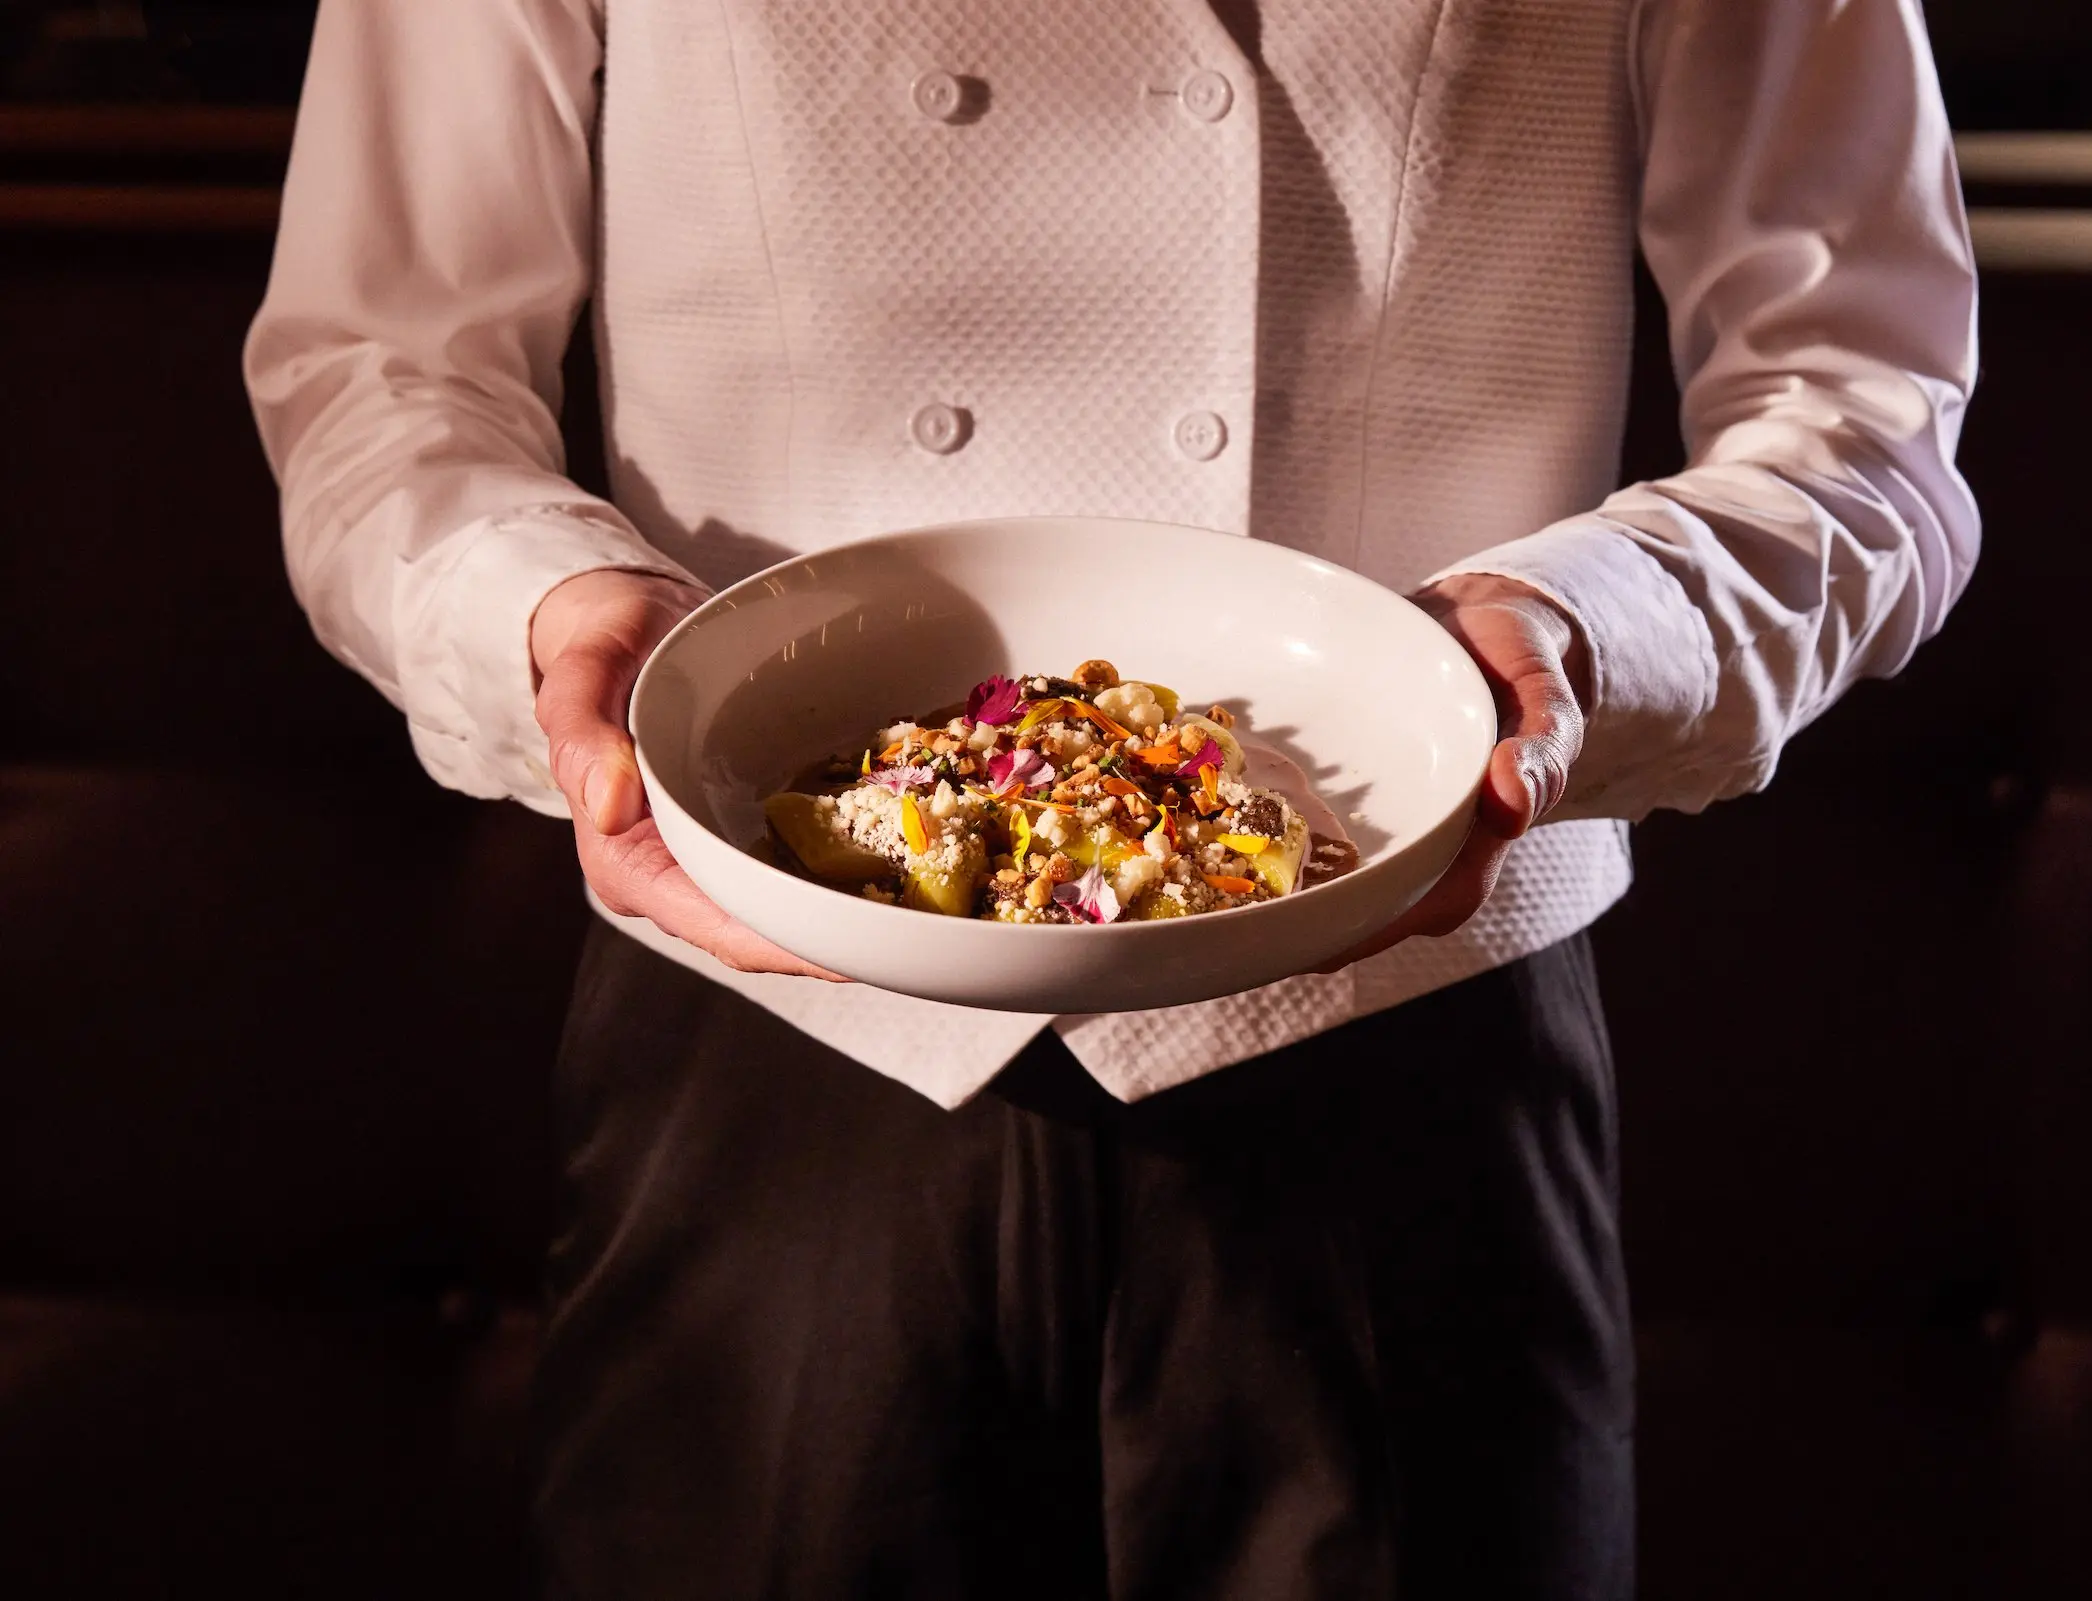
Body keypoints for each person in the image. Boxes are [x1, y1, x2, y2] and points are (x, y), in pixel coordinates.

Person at [245, 2, 1978, 1595]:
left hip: (1418, 1052)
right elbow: (383, 369)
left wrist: (1588, 636)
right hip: (772, 1049)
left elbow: (1861, 402)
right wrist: (540, 609)